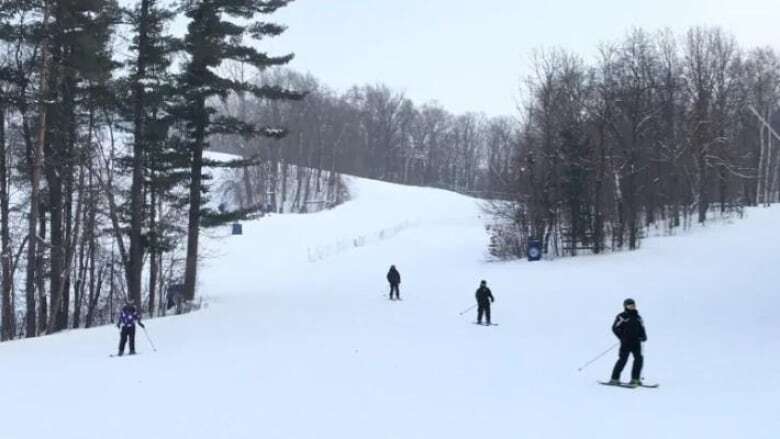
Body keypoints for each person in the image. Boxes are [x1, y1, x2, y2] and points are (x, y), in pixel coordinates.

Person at [609, 298, 647, 385]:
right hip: (626, 342)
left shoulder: (638, 317)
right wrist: (622, 337)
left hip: (636, 342)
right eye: (630, 305)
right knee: (623, 359)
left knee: (639, 359)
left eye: (633, 305)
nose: (632, 306)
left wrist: (644, 336)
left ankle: (635, 379)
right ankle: (614, 379)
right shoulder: (622, 316)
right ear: (625, 306)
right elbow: (615, 328)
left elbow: (642, 328)